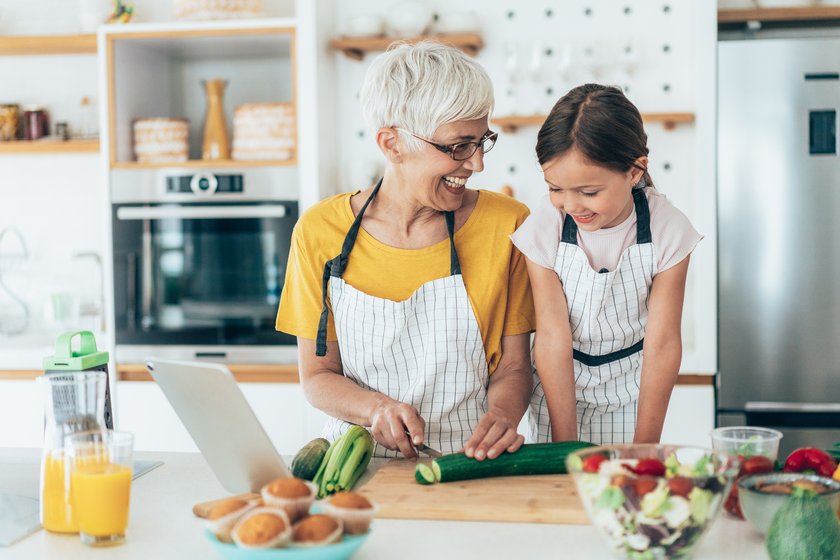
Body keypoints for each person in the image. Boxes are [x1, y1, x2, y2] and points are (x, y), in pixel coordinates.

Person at [276, 42, 535, 460]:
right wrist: (375, 408)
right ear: (392, 144)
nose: (477, 164)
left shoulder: (508, 225)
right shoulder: (320, 231)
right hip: (354, 464)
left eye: (481, 141)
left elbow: (514, 366)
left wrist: (503, 415)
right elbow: (318, 376)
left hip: (468, 460)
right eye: (457, 146)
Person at [511, 84, 702, 445]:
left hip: (633, 390)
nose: (571, 206)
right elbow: (552, 338)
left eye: (589, 192)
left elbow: (662, 344)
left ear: (634, 171)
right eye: (556, 188)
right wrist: (563, 445)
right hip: (559, 388)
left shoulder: (668, 229)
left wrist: (644, 447)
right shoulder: (544, 227)